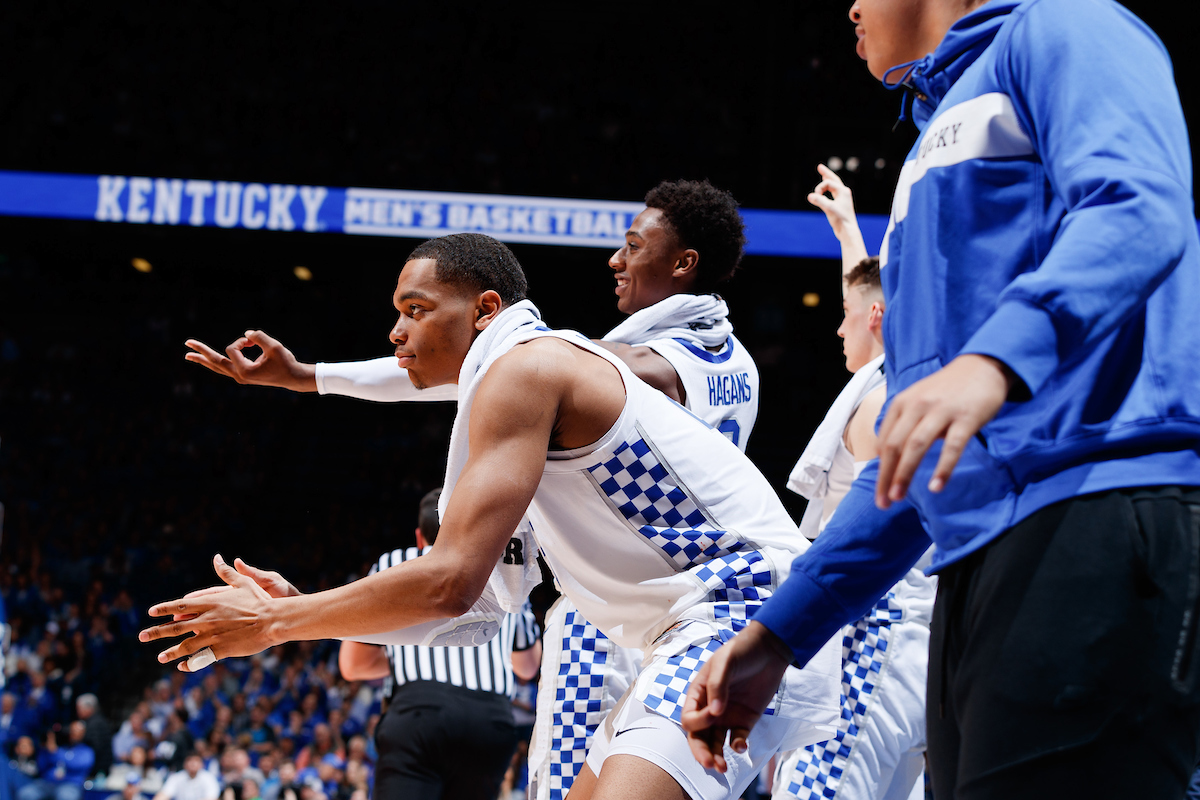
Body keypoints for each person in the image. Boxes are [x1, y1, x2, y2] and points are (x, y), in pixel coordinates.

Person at [683, 1, 1200, 798]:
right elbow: (914, 442)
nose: (849, 7)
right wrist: (783, 633)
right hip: (974, 558)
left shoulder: (1066, 24)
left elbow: (1139, 205)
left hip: (1096, 507)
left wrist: (997, 356)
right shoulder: (929, 142)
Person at [142, 232, 842, 800]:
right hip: (689, 629)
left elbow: (448, 582)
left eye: (416, 309)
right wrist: (305, 607)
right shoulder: (513, 381)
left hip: (741, 614)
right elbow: (473, 610)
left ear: (484, 309)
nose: (395, 331)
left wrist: (276, 622)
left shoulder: (526, 369)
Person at [770, 169, 933, 800]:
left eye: (845, 316)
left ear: (878, 317)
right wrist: (847, 233)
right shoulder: (919, 379)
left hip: (877, 634)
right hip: (918, 641)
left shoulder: (888, 397)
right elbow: (870, 295)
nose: (839, 329)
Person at [338, 487, 542, 800]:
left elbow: (353, 665)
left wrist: (404, 656)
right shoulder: (503, 574)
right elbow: (527, 667)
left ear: (420, 538)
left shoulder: (393, 563)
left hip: (419, 713)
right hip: (489, 721)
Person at [18, 723, 93, 800]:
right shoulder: (61, 748)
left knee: (65, 797)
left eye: (76, 731)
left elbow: (75, 764)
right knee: (26, 794)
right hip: (47, 783)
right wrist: (45, 749)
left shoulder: (86, 751)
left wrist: (55, 752)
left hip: (70, 784)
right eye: (72, 731)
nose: (74, 733)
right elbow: (41, 766)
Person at [75, 695, 112, 780]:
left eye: (79, 708)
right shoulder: (95, 720)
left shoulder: (95, 724)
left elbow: (96, 748)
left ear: (89, 708)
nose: (77, 712)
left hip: (97, 771)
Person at [154, 753, 220, 800]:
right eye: (190, 760)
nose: (193, 763)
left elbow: (213, 798)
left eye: (196, 760)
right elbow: (164, 794)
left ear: (202, 764)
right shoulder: (176, 777)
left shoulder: (209, 778)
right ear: (184, 764)